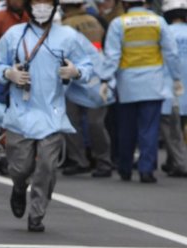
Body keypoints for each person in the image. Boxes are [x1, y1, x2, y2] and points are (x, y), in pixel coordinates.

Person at [0, 0, 93, 232]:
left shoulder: (67, 36)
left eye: (47, 3)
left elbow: (88, 64)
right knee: (19, 167)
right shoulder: (13, 35)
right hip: (21, 112)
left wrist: (77, 72)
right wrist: (8, 73)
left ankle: (36, 214)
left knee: (47, 166)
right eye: (37, 2)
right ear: (28, 6)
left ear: (55, 6)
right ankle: (18, 187)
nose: (42, 7)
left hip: (52, 113)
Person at [99, 0, 182, 183]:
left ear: (125, 4)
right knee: (149, 129)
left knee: (126, 129)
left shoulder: (118, 23)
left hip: (127, 84)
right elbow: (171, 53)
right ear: (145, 2)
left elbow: (112, 55)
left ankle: (125, 168)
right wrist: (176, 78)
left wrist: (105, 79)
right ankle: (146, 170)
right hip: (153, 83)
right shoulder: (158, 21)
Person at [60, 0, 113, 177]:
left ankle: (80, 160)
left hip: (80, 77)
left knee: (72, 122)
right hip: (95, 77)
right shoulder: (95, 20)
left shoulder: (65, 26)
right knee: (95, 123)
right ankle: (102, 161)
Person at [160, 0, 187, 177]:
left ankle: (179, 162)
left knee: (171, 128)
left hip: (172, 87)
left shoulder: (165, 32)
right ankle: (172, 161)